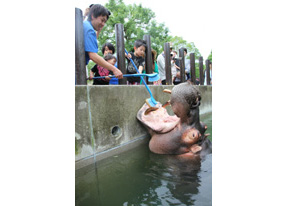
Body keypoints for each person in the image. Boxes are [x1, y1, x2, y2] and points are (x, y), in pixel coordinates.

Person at [84, 4, 123, 80]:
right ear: (92, 16)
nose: (103, 24)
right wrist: (114, 69)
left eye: (105, 22)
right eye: (102, 20)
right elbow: (93, 55)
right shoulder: (89, 30)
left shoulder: (85, 25)